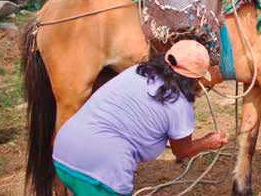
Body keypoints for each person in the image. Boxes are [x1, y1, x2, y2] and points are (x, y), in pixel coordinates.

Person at [52, 40, 229, 196]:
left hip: (63, 153)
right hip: (99, 173)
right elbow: (182, 151)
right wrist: (209, 141)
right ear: (195, 79)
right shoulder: (179, 105)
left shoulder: (137, 71)